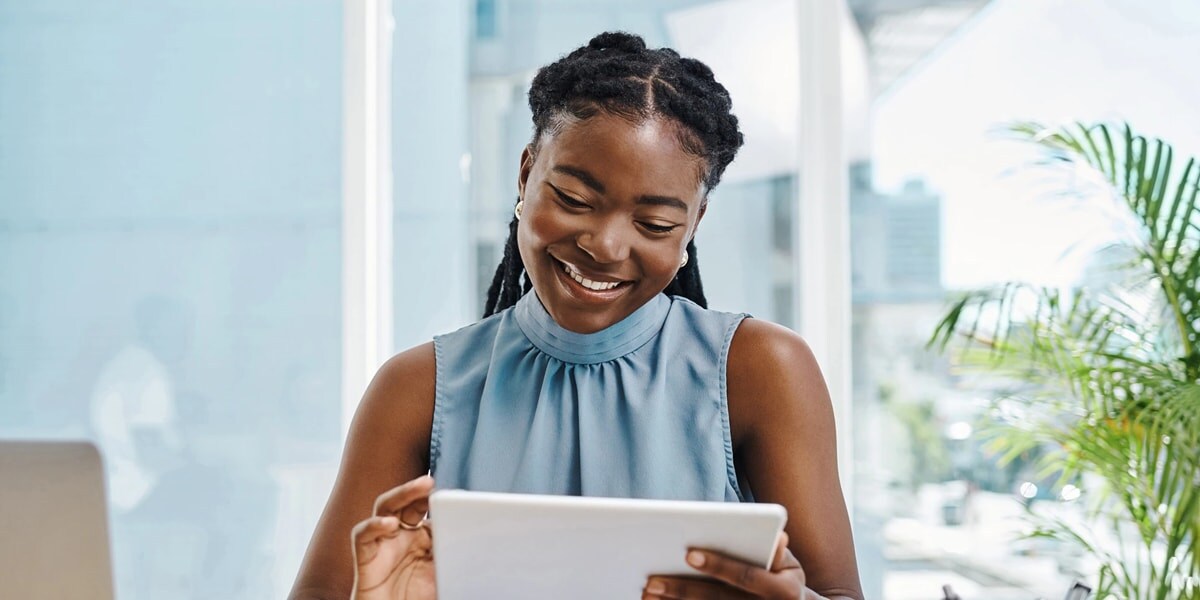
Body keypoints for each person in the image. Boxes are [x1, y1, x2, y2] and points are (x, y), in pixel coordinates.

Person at [290, 31, 863, 600]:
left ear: (694, 224)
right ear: (525, 174)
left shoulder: (762, 371)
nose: (607, 246)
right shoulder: (417, 389)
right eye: (574, 199)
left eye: (655, 224)